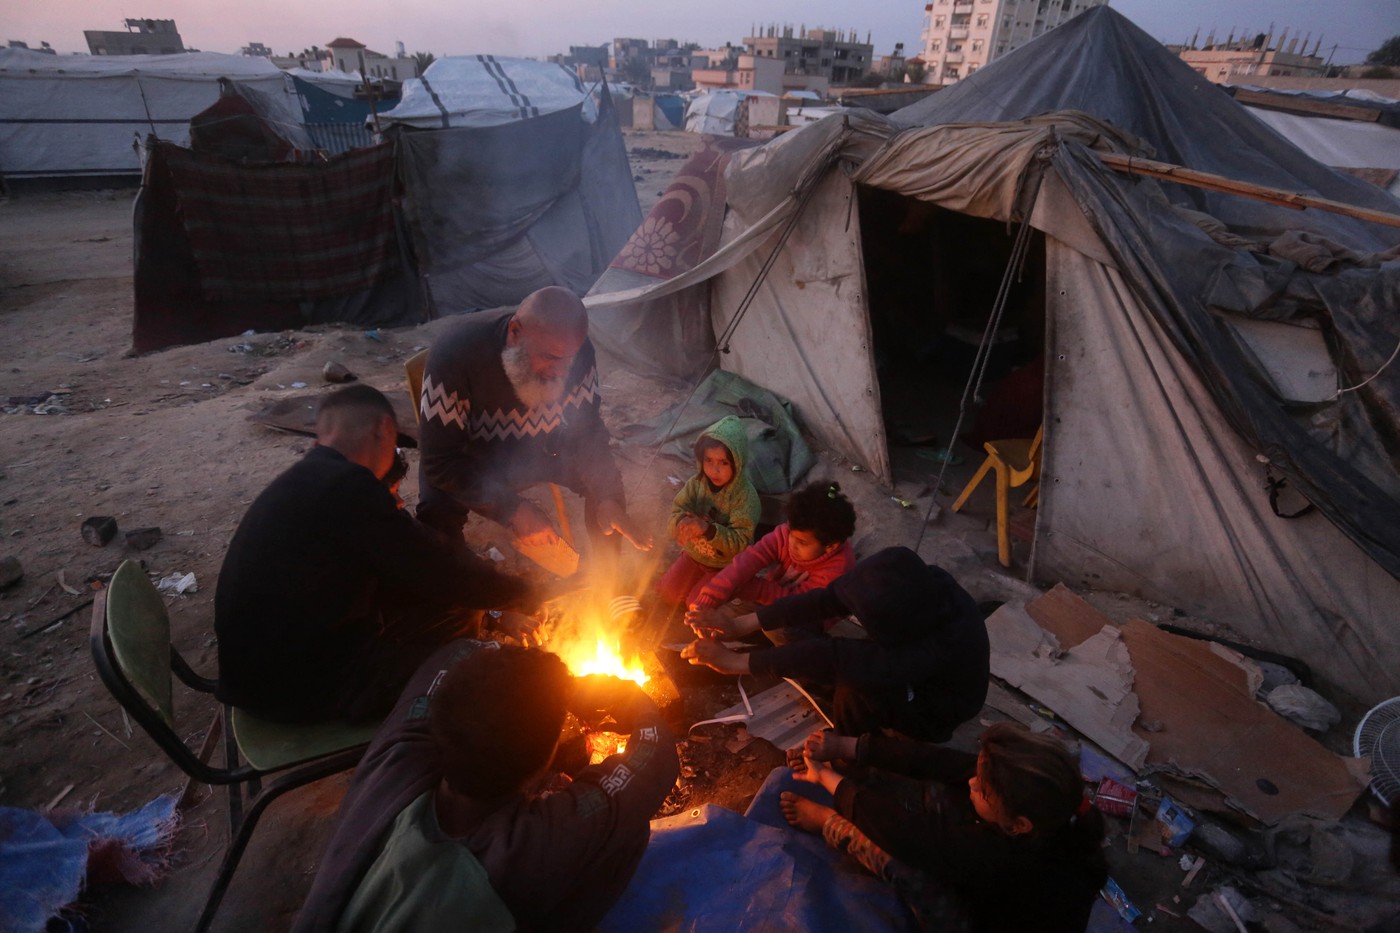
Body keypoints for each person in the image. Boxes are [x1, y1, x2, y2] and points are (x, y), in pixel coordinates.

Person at [294, 640, 678, 933]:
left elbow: (456, 653)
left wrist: (545, 684)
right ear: (540, 765)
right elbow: (655, 758)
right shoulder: (528, 850)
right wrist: (630, 700)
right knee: (628, 831)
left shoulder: (395, 759)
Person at [214, 384, 539, 724]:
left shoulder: (311, 481)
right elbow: (439, 569)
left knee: (456, 612)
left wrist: (493, 610)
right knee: (473, 662)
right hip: (300, 691)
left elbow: (411, 569)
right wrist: (530, 595)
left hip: (259, 676)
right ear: (385, 430)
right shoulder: (349, 486)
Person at [777, 723, 1108, 932]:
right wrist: (846, 747)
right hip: (993, 882)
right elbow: (934, 761)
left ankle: (827, 822)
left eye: (983, 790)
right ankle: (861, 782)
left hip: (977, 922)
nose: (973, 781)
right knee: (942, 789)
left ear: (1018, 825)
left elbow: (911, 837)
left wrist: (828, 780)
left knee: (904, 863)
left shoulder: (1004, 860)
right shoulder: (1043, 806)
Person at [415, 285, 650, 559]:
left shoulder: (577, 352)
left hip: (540, 450)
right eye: (550, 357)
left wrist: (608, 497)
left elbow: (586, 433)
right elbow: (439, 461)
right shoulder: (456, 354)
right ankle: (460, 585)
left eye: (569, 358)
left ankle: (607, 582)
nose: (561, 371)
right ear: (515, 333)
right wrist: (512, 509)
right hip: (470, 460)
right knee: (436, 511)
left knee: (602, 484)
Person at [682, 546, 988, 740]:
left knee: (853, 692)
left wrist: (737, 663)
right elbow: (827, 599)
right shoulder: (915, 579)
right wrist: (740, 624)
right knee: (791, 634)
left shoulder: (935, 648)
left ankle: (851, 751)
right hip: (911, 657)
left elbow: (839, 658)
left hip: (938, 706)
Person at [685, 480, 856, 626]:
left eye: (802, 542)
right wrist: (711, 595)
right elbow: (748, 561)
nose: (791, 543)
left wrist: (755, 588)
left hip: (807, 619)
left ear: (830, 547)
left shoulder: (837, 570)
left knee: (777, 632)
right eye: (791, 533)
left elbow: (798, 607)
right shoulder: (785, 534)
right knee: (714, 619)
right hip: (776, 592)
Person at [655, 414, 761, 607]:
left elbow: (740, 542)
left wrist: (708, 530)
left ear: (737, 463)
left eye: (723, 463)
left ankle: (737, 590)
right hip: (695, 555)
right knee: (666, 591)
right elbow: (678, 510)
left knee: (696, 605)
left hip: (726, 565)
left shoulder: (745, 497)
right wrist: (680, 524)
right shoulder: (696, 484)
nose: (714, 469)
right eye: (709, 460)